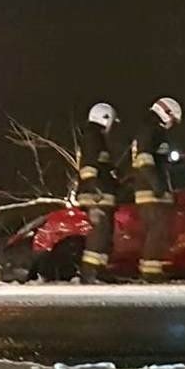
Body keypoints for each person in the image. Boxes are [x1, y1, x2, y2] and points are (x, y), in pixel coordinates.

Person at [125, 97, 181, 281]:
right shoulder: (151, 130)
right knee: (157, 231)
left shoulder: (149, 129)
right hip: (150, 191)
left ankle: (152, 269)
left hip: (148, 188)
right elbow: (144, 160)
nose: (172, 124)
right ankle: (151, 272)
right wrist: (158, 185)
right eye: (172, 120)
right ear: (166, 113)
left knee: (157, 232)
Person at [76, 102, 120, 283]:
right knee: (99, 232)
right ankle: (90, 272)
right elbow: (88, 166)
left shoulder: (96, 137)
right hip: (96, 194)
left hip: (100, 192)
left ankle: (100, 270)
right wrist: (94, 187)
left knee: (105, 233)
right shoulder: (93, 137)